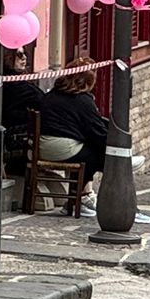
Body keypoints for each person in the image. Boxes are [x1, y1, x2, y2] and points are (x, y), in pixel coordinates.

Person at [35, 65, 110, 208]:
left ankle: (78, 197)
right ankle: (76, 198)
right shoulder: (82, 100)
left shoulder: (50, 95)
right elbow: (95, 131)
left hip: (41, 146)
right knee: (96, 156)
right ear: (86, 83)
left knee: (89, 151)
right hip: (62, 147)